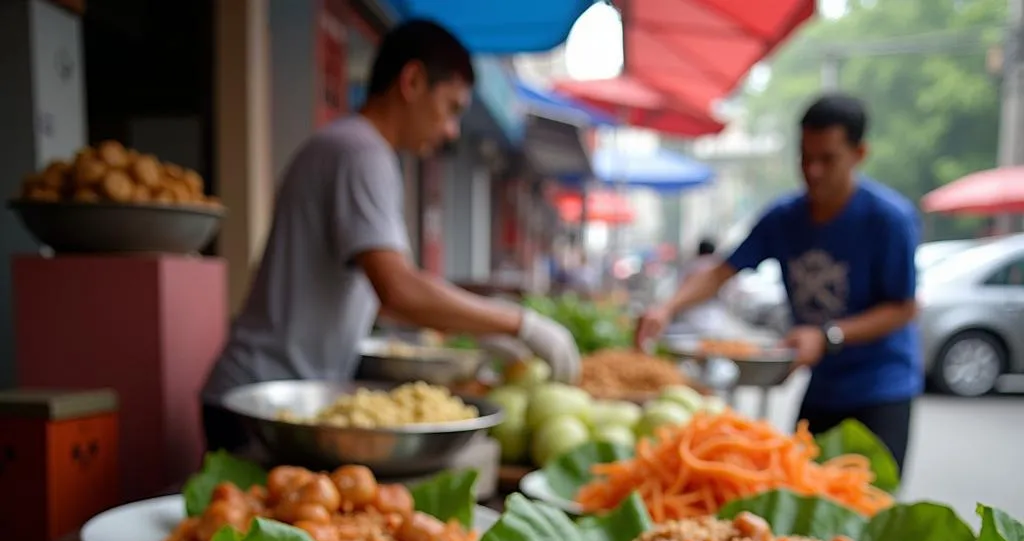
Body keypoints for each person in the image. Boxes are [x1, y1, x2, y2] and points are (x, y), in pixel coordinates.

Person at [201, 19, 579, 452]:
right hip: (262, 403)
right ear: (413, 81)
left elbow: (385, 298)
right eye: (452, 108)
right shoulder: (361, 153)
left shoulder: (350, 147)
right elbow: (398, 290)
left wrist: (476, 328)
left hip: (270, 396)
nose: (452, 130)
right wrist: (518, 323)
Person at [634, 93, 921, 474]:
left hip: (881, 388)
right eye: (805, 157)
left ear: (859, 154)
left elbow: (904, 307)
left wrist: (828, 336)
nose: (813, 170)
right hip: (823, 386)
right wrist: (666, 308)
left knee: (869, 506)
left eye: (827, 159)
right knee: (799, 491)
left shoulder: (888, 220)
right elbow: (722, 272)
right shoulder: (784, 218)